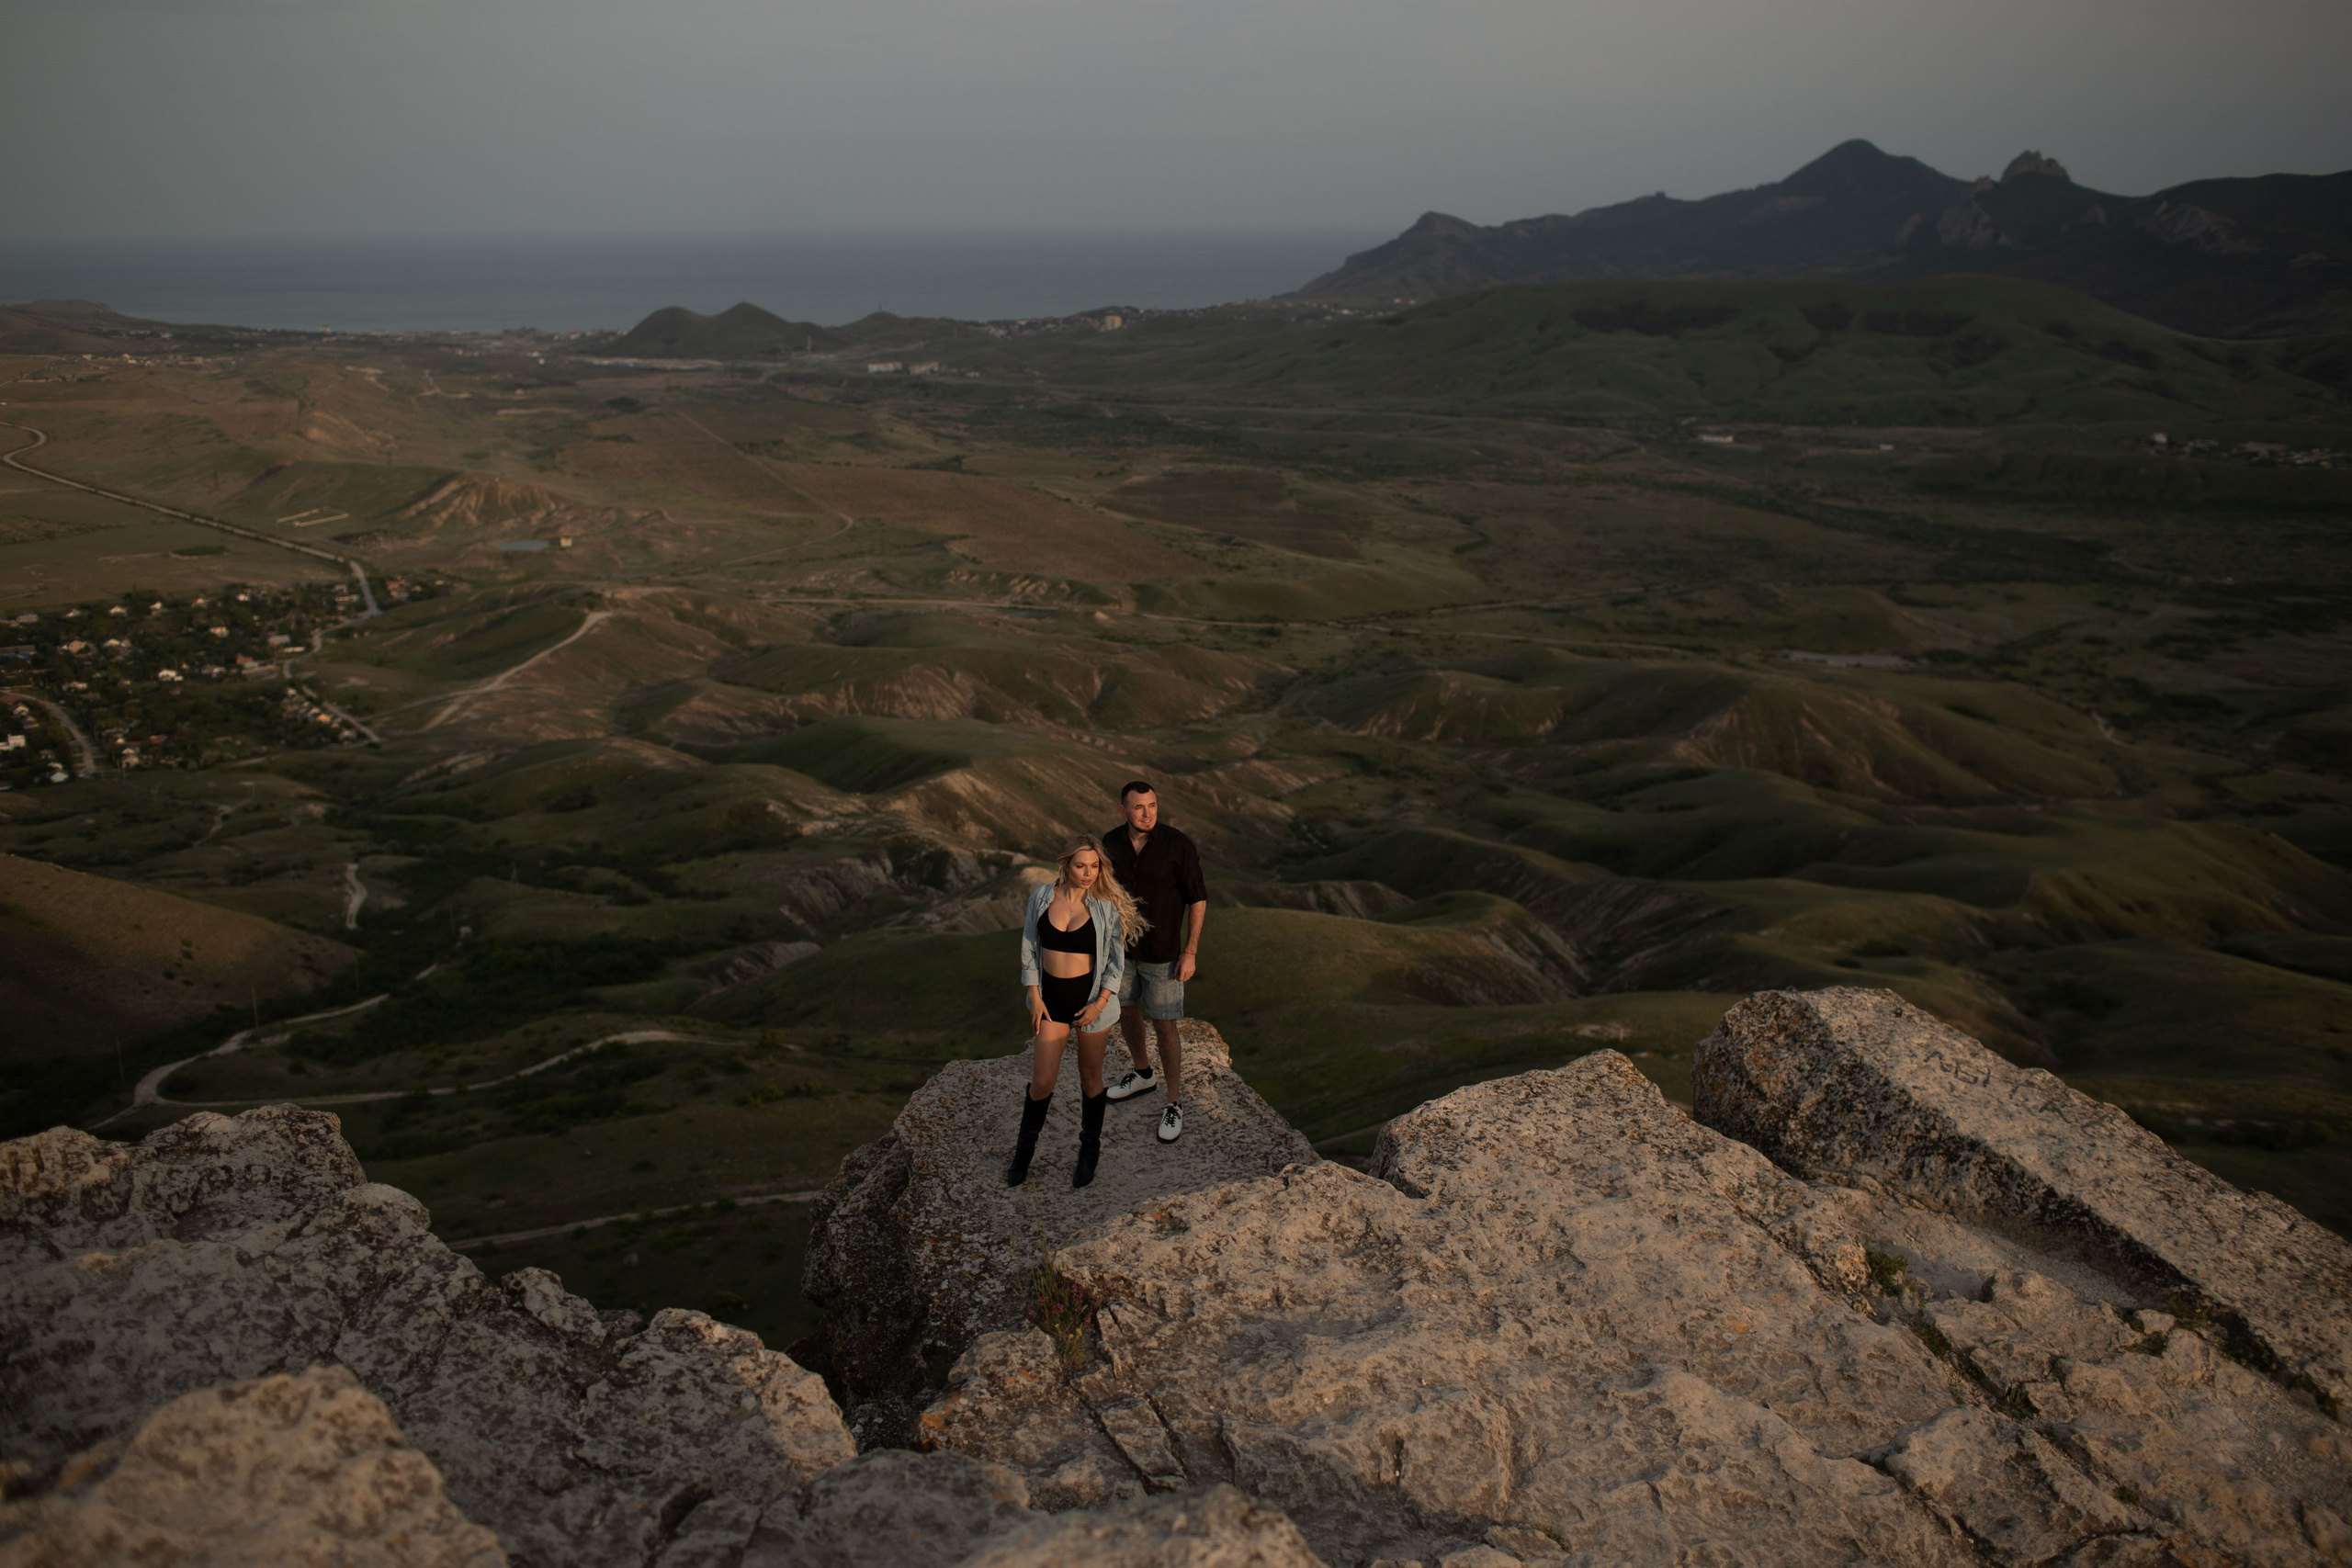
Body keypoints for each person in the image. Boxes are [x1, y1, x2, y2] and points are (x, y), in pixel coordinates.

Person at [1007, 834, 1146, 1189]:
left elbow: (1116, 962)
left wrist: (1099, 1003)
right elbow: (1028, 947)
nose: (1088, 873)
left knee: (1090, 1079)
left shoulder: (1104, 906)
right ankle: (1023, 1154)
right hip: (1050, 1003)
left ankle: (1089, 1152)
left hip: (1091, 1006)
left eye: (1094, 866)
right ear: (1066, 864)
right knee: (1042, 1082)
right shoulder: (1041, 897)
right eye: (1081, 865)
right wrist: (1034, 996)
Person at [1100, 781, 1206, 1144]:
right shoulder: (1110, 843)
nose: (1147, 813)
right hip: (1121, 951)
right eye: (1139, 807)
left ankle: (1174, 1102)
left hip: (1164, 955)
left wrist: (1190, 952)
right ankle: (1143, 1074)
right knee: (1128, 1012)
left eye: (1153, 806)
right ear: (1123, 810)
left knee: (1164, 1026)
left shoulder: (1178, 845)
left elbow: (1198, 900)